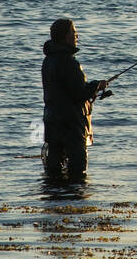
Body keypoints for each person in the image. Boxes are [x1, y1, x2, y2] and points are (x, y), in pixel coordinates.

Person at [41, 18, 110, 177]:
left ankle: (55, 197)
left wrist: (92, 87)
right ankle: (73, 199)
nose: (77, 35)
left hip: (52, 120)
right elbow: (79, 93)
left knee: (54, 168)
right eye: (73, 32)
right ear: (66, 37)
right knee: (78, 169)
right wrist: (97, 86)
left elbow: (64, 91)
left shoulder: (48, 61)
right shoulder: (69, 62)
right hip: (71, 123)